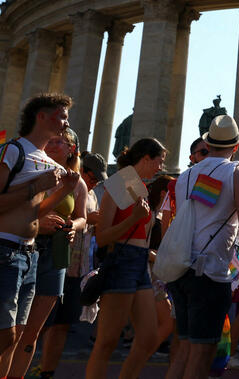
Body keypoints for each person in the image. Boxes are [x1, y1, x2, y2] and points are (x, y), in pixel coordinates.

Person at [0, 94, 79, 379]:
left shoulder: (44, 159)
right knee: (1, 337)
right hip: (1, 251)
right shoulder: (12, 151)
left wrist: (64, 191)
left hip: (29, 255)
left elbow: (34, 211)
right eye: (62, 116)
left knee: (11, 338)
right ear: (42, 116)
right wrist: (36, 186)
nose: (66, 123)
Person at [168, 115, 239, 379]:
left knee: (184, 349)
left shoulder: (186, 176)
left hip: (180, 267)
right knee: (202, 354)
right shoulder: (237, 173)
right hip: (209, 272)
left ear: (207, 144)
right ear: (236, 146)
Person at [6, 129, 88, 379]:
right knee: (11, 330)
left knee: (33, 331)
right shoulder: (30, 171)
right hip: (26, 247)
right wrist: (36, 223)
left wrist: (72, 227)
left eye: (58, 142)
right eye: (49, 140)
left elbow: (82, 217)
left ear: (71, 148)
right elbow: (10, 209)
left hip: (56, 253)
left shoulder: (77, 181)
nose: (51, 145)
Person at [85, 137, 166, 379]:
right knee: (107, 341)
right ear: (146, 159)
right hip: (122, 262)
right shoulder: (121, 182)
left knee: (149, 337)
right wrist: (133, 219)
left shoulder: (136, 184)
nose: (161, 167)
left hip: (139, 262)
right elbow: (102, 237)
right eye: (159, 161)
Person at [35, 150, 107, 379]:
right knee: (39, 324)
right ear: (82, 171)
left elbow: (87, 220)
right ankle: (22, 368)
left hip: (78, 268)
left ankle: (46, 371)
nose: (94, 183)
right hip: (55, 261)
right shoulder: (60, 185)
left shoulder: (91, 194)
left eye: (98, 180)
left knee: (62, 325)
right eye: (92, 178)